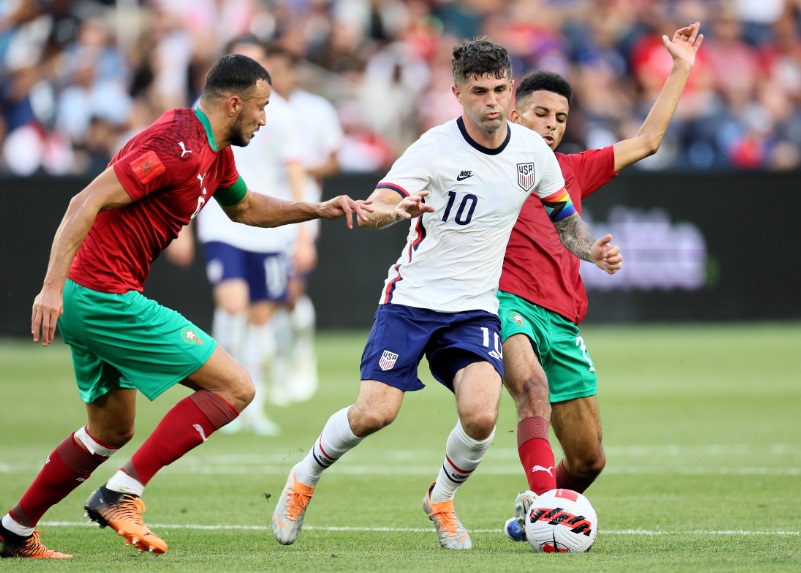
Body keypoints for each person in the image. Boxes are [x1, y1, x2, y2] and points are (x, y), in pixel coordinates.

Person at [0, 53, 370, 559]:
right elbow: (83, 201)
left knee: (110, 430)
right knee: (236, 387)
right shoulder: (173, 145)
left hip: (93, 297)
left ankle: (14, 530)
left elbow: (245, 208)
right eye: (261, 107)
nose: (265, 118)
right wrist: (49, 287)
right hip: (104, 297)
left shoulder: (215, 153)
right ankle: (121, 492)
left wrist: (317, 209)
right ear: (233, 103)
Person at [271, 37, 621, 551]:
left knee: (481, 416)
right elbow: (378, 205)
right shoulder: (434, 148)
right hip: (413, 300)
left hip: (475, 307)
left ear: (511, 89)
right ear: (457, 93)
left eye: (500, 90)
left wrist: (593, 252)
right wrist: (393, 211)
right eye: (480, 92)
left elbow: (566, 221)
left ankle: (440, 498)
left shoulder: (531, 153)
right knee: (375, 413)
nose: (492, 102)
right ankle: (304, 477)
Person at [499, 23, 704, 540]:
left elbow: (648, 141)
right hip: (505, 302)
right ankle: (546, 505)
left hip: (563, 319)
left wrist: (680, 68)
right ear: (513, 114)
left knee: (589, 459)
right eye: (540, 113)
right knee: (531, 388)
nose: (551, 125)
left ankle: (531, 516)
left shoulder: (572, 169)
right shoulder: (487, 166)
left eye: (560, 118)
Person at [168, 36, 310, 437]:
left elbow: (295, 171)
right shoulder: (205, 109)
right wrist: (182, 229)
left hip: (267, 232)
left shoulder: (281, 114)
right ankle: (220, 396)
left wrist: (303, 235)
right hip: (222, 223)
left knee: (262, 318)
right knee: (233, 306)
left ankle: (254, 405)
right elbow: (187, 172)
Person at [262, 44, 345, 406]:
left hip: (303, 211)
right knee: (268, 297)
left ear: (294, 71)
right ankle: (277, 368)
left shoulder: (315, 109)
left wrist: (298, 167)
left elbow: (335, 161)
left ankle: (299, 357)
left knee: (290, 292)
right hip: (263, 211)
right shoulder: (258, 109)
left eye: (281, 70)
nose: (276, 78)